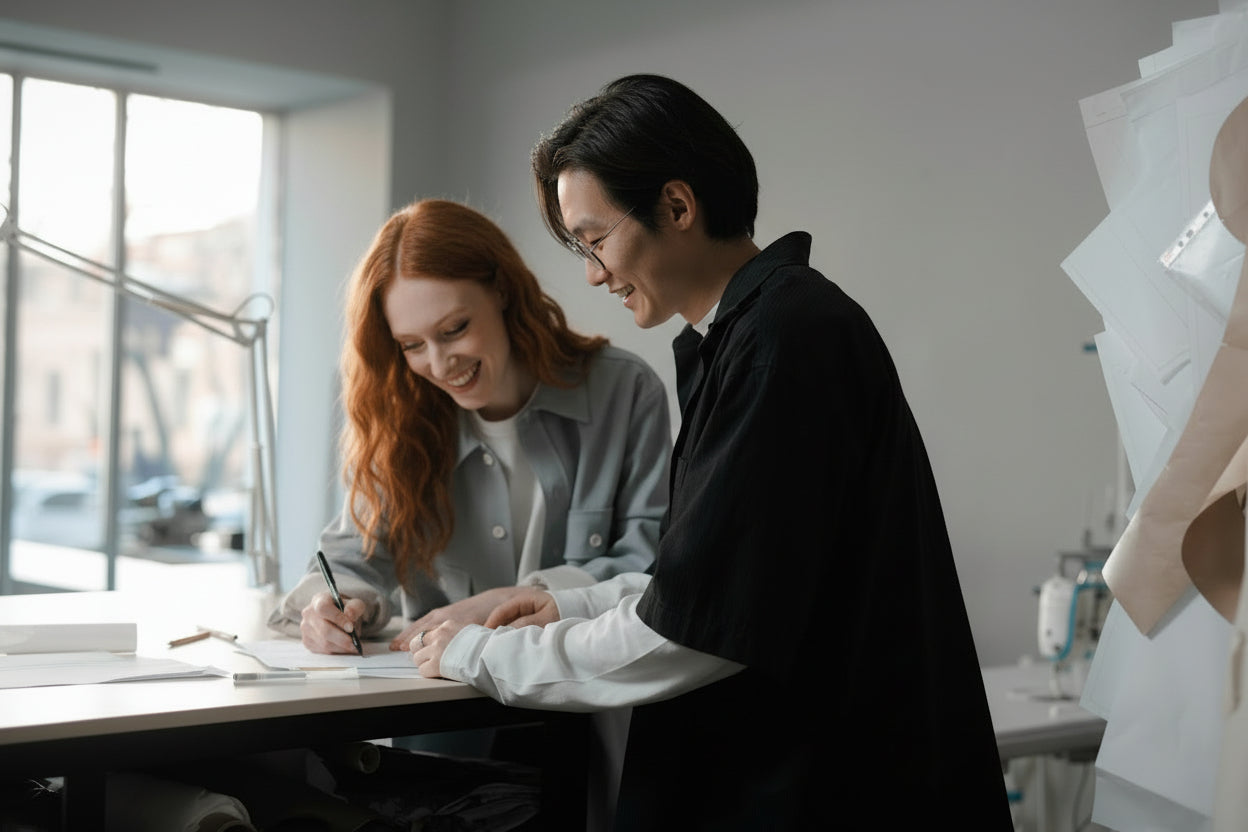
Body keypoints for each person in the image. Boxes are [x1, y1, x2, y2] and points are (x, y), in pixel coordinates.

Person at [409, 76, 1011, 829]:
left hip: (829, 792)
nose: (593, 273)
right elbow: (719, 582)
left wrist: (479, 656)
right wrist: (570, 603)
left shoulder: (785, 340)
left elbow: (693, 634)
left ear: (678, 206)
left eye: (596, 241)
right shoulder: (746, 337)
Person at [269, 198, 671, 658]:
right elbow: (348, 560)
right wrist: (335, 606)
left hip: (580, 703)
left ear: (501, 290)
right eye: (412, 344)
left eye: (455, 328)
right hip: (440, 707)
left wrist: (509, 601)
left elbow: (651, 564)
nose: (440, 365)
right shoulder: (399, 414)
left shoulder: (625, 391)